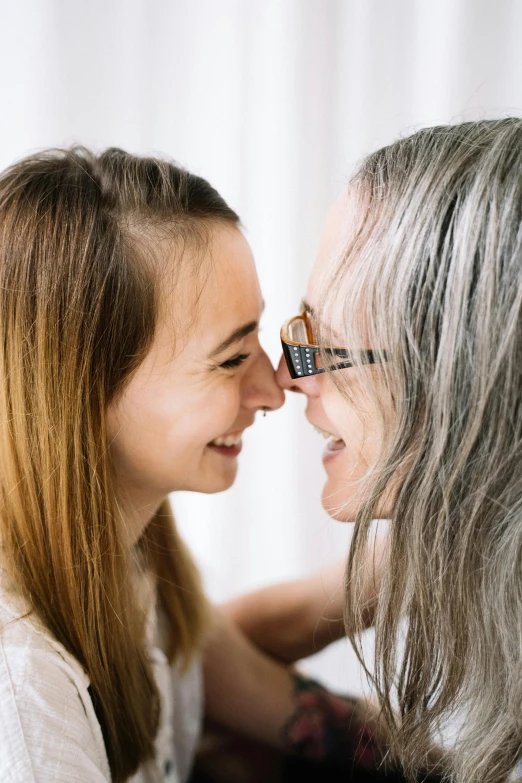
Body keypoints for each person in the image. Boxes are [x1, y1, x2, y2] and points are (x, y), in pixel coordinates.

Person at [0, 147, 403, 783]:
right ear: (80, 392)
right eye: (228, 358)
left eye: (258, 338)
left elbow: (215, 657)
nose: (276, 389)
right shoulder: (20, 694)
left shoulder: (124, 552)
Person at [266, 117, 522, 783]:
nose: (287, 378)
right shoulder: (457, 531)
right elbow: (223, 640)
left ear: (458, 373)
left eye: (326, 345)